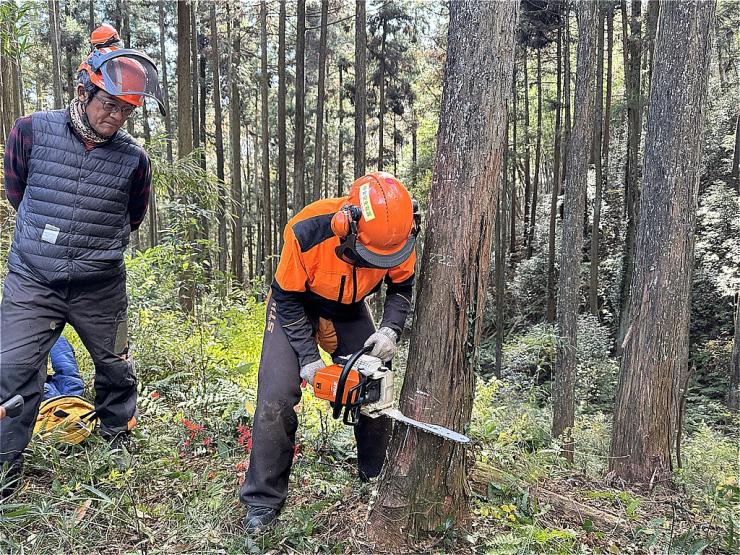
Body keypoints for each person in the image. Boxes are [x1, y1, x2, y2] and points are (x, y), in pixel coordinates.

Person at [0, 24, 166, 498]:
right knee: (10, 370)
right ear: (84, 90)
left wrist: (90, 249)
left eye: (126, 110)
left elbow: (132, 215)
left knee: (115, 363)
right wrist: (51, 241)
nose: (116, 117)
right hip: (33, 279)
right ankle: (5, 470)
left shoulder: (134, 160)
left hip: (100, 285)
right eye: (108, 104)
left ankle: (118, 441)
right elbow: (19, 192)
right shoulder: (31, 130)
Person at [240, 171, 419, 532]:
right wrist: (308, 359)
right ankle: (262, 501)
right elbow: (287, 298)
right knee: (276, 395)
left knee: (375, 384)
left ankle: (374, 475)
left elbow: (402, 287)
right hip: (296, 304)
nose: (379, 262)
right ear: (347, 225)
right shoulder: (307, 230)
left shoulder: (398, 235)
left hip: (350, 308)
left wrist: (390, 328)